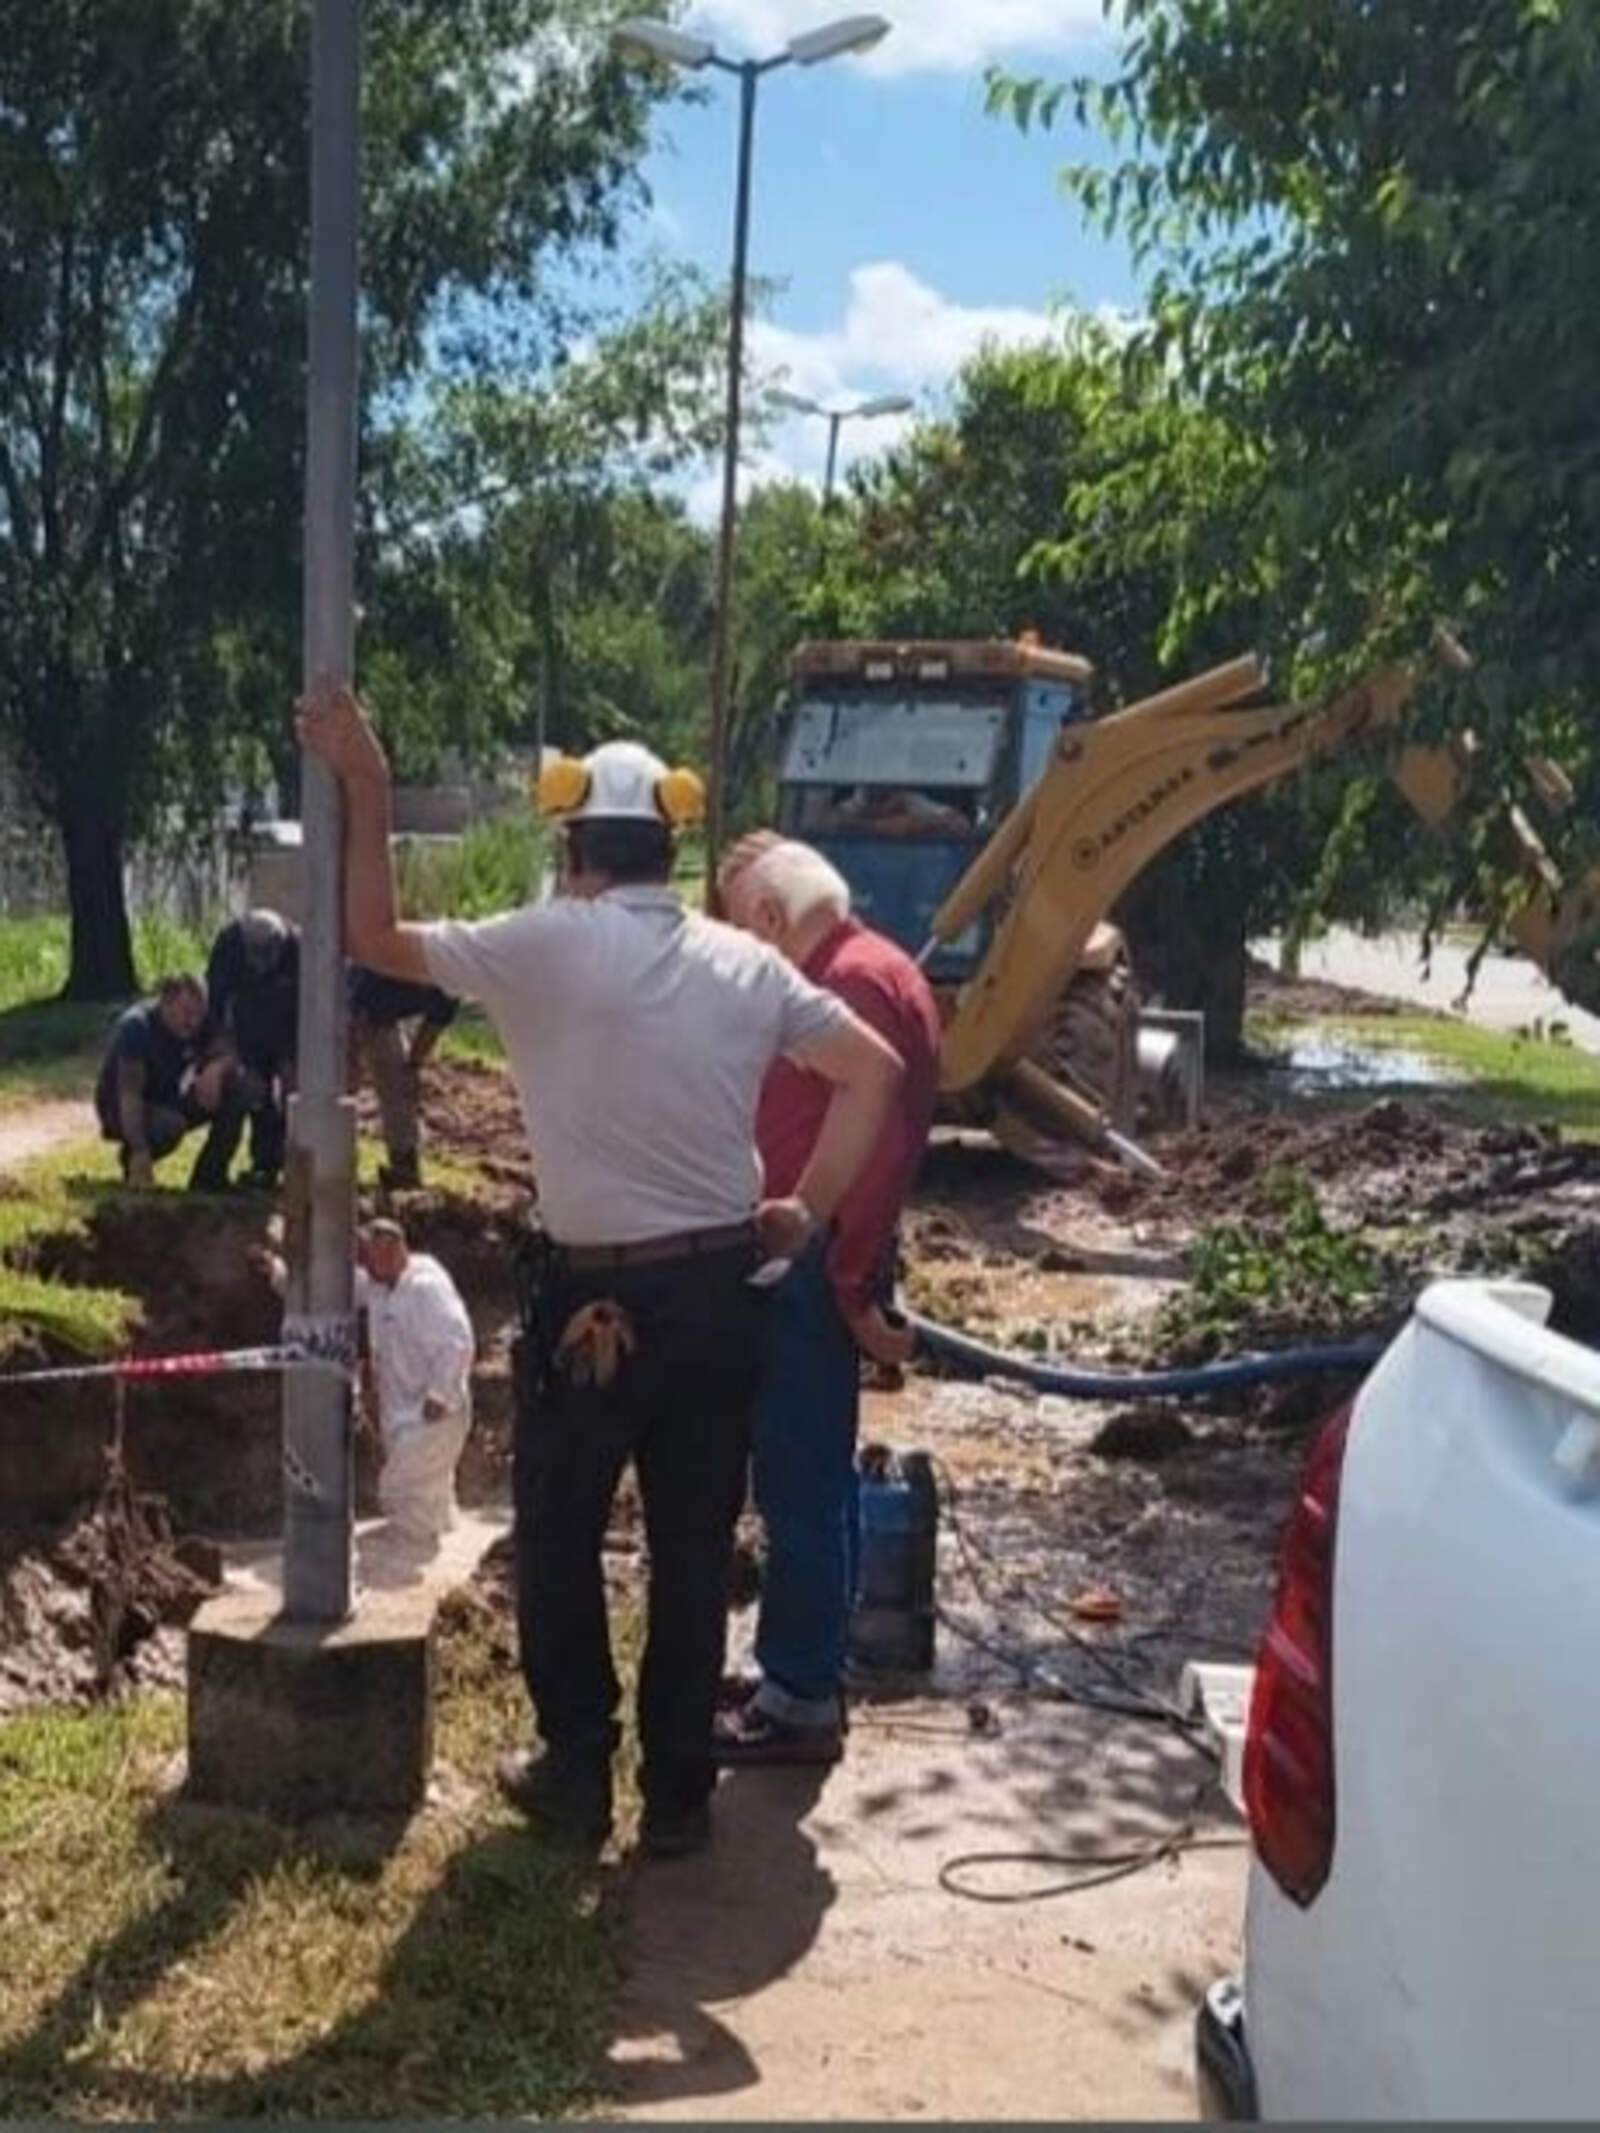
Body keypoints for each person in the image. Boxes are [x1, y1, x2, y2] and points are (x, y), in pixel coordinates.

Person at [297, 680, 904, 1861]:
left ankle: (576, 1771)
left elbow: (374, 938)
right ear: (671, 851)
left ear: (573, 850)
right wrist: (803, 1213)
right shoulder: (746, 965)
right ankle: (677, 1794)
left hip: (597, 1302)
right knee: (692, 1544)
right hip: (722, 1292)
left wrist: (368, 781)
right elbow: (871, 1070)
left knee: (563, 1528)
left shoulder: (543, 945)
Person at [713, 834, 942, 1765]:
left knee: (801, 1484)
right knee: (816, 1479)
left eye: (742, 928)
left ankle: (800, 1694)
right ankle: (799, 1671)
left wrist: (847, 1282)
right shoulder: (884, 968)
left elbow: (874, 1154)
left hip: (809, 1264)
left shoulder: (847, 985)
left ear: (771, 917)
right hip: (823, 1257)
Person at [253, 1217, 475, 1543]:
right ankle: (440, 1544)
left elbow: (457, 1342)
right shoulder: (377, 1284)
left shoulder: (426, 1288)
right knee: (430, 1497)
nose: (363, 1267)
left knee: (400, 1490)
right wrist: (276, 1271)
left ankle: (408, 1558)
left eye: (368, 1258)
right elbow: (325, 1291)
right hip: (401, 1413)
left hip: (436, 1414)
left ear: (392, 1250)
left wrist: (440, 1394)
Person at [94, 973, 246, 1191]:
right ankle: (133, 1161)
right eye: (186, 1013)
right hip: (122, 1106)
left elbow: (232, 1050)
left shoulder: (202, 1025)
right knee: (170, 1125)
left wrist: (218, 1067)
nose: (193, 1022)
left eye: (199, 1014)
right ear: (165, 1003)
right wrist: (139, 1148)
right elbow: (129, 1095)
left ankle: (210, 1176)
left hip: (168, 1099)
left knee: (239, 1088)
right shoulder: (137, 1028)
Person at [205, 908, 299, 1189]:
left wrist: (291, 1057)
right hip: (246, 1026)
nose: (260, 967)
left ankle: (285, 1165)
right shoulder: (228, 945)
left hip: (287, 1025)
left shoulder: (297, 949)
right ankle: (258, 1166)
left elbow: (308, 1006)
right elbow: (217, 1005)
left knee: (289, 1097)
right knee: (257, 1093)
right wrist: (228, 1051)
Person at [347, 965, 459, 1190]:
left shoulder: (450, 991)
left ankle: (404, 1165)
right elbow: (355, 1003)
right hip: (352, 1005)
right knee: (343, 1086)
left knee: (399, 1089)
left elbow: (431, 1028)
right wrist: (350, 1055)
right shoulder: (391, 969)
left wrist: (412, 1067)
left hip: (384, 1018)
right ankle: (332, 1159)